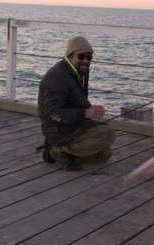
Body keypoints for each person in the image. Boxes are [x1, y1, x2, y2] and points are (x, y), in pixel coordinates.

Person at [38, 36, 117, 171]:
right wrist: (85, 113)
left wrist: (91, 110)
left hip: (72, 124)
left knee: (105, 154)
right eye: (81, 56)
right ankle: (58, 148)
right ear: (70, 55)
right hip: (57, 128)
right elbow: (50, 113)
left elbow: (74, 100)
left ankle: (60, 152)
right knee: (108, 133)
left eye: (89, 57)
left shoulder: (80, 70)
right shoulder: (57, 77)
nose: (86, 61)